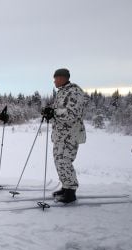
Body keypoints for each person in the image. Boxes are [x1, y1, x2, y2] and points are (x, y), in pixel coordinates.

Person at [42, 68, 87, 203]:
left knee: (65, 161)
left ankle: (71, 191)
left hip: (70, 135)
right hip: (60, 135)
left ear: (62, 78)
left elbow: (72, 114)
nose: (54, 81)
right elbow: (60, 111)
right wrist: (50, 112)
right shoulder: (63, 92)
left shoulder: (74, 92)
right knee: (59, 161)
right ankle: (66, 186)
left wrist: (54, 112)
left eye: (55, 78)